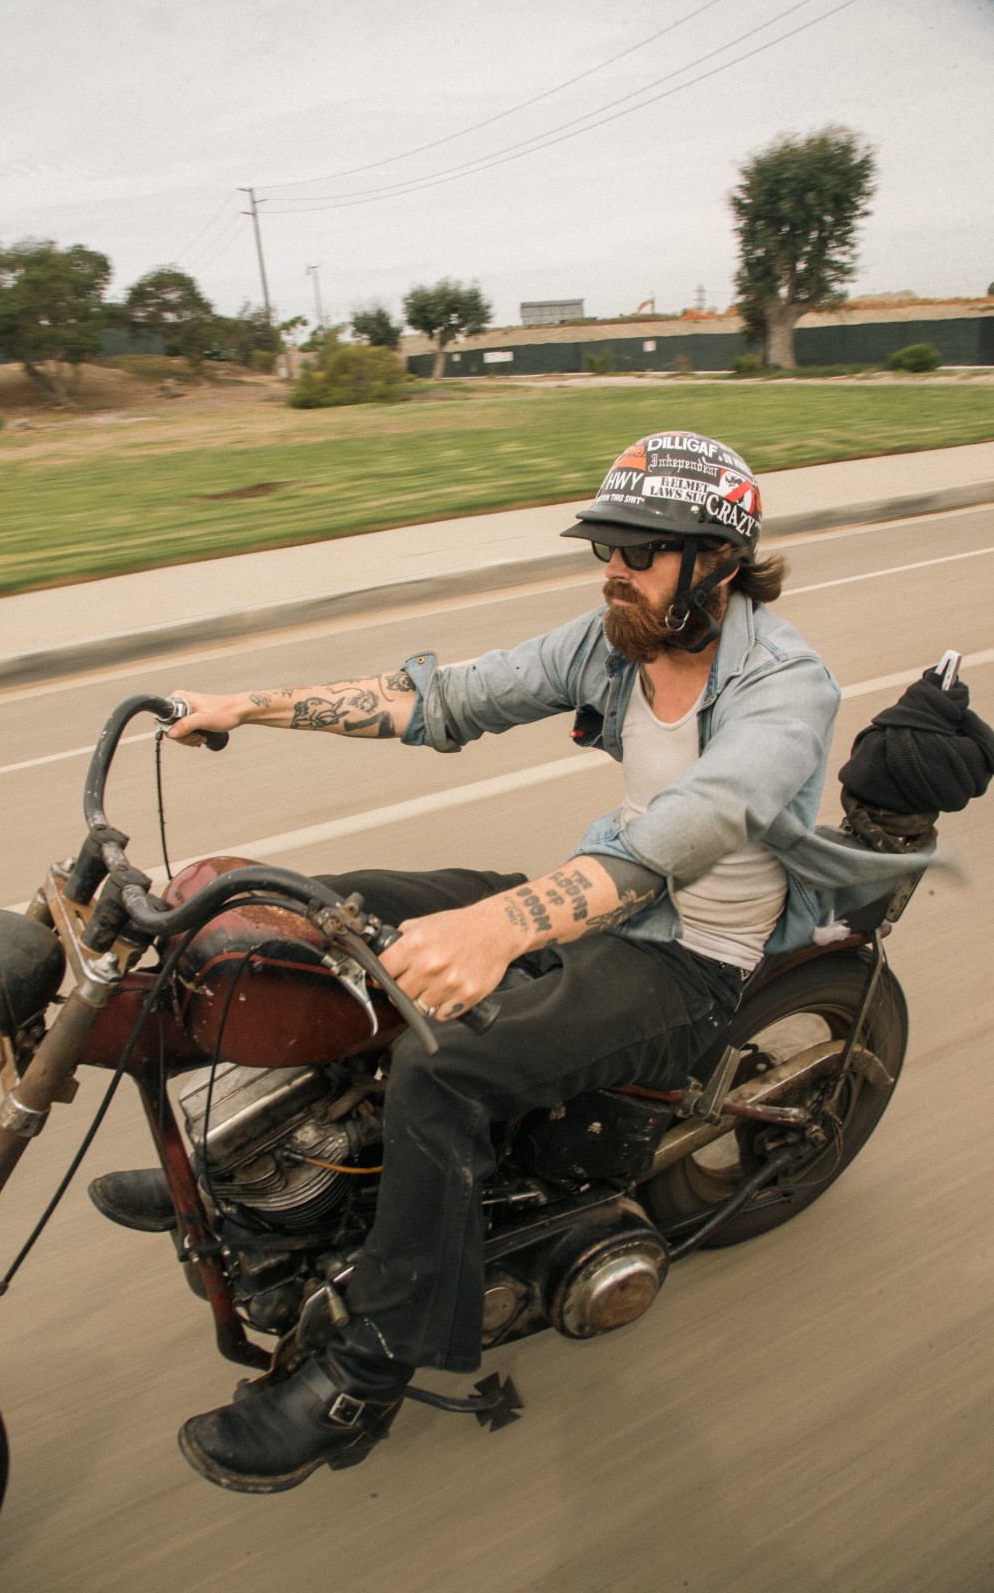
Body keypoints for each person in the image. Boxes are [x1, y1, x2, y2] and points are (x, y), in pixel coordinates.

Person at [90, 430, 925, 1494]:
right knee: (310, 915)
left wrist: (500, 926)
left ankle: (366, 1371)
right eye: (605, 548)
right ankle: (257, 1164)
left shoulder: (784, 687)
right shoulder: (616, 639)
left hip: (690, 957)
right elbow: (444, 699)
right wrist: (249, 705)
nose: (612, 568)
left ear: (716, 559)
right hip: (599, 906)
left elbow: (691, 827)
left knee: (442, 1072)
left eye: (638, 551)